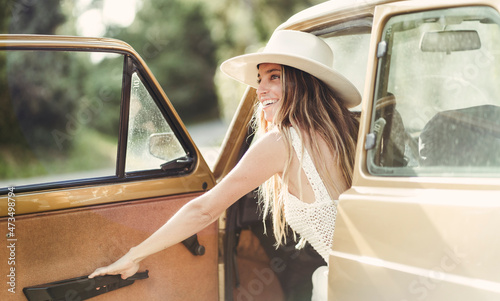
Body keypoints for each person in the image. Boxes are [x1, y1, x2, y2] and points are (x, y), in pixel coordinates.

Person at [89, 30, 361, 300]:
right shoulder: (352, 133)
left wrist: (134, 256)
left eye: (274, 77)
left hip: (352, 287)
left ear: (304, 82)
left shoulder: (282, 142)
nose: (261, 89)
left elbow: (203, 210)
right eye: (260, 79)